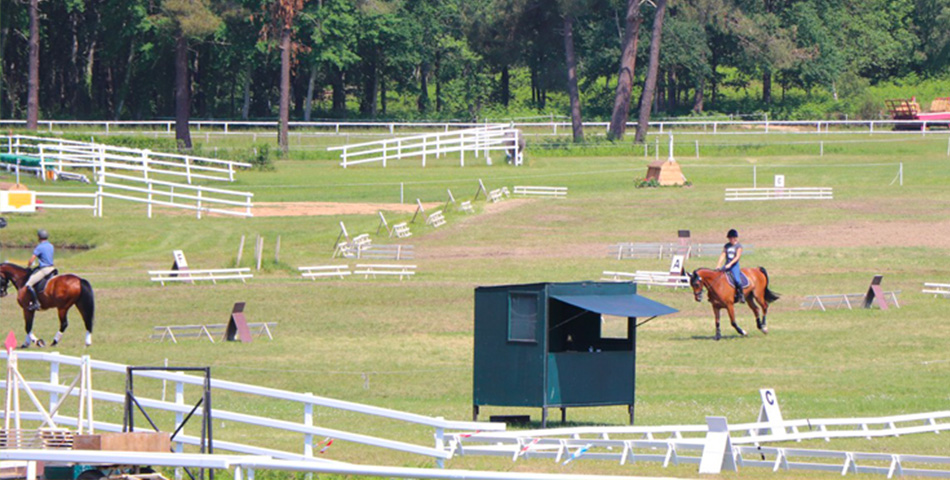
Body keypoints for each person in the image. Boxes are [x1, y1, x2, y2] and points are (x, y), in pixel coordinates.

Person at [25, 228, 55, 311]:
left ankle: (36, 303)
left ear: (39, 237)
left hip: (44, 269)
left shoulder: (40, 247)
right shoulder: (51, 245)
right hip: (52, 268)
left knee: (29, 284)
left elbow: (31, 260)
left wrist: (28, 266)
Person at [716, 229, 744, 303]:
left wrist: (730, 264)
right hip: (727, 264)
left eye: (731, 238)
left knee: (737, 280)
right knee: (718, 276)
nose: (730, 239)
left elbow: (737, 257)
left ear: (735, 238)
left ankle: (741, 295)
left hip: (734, 265)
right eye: (729, 238)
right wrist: (718, 265)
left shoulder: (739, 246)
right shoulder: (727, 246)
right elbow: (723, 255)